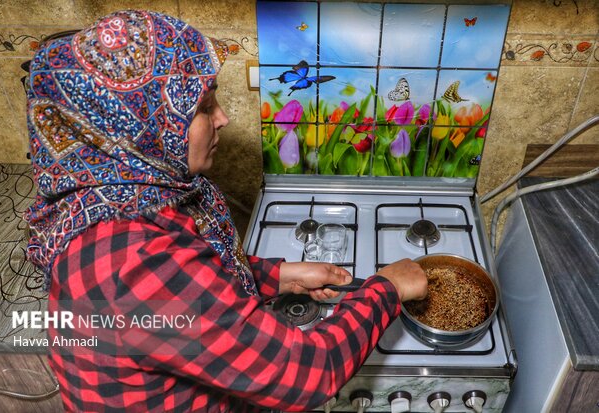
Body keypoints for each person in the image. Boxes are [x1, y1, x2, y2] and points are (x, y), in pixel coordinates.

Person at [23, 10, 427, 413]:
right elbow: (306, 374)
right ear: (138, 122)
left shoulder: (124, 195)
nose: (223, 119)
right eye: (202, 107)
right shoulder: (132, 258)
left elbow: (197, 282)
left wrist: (278, 275)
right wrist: (386, 289)